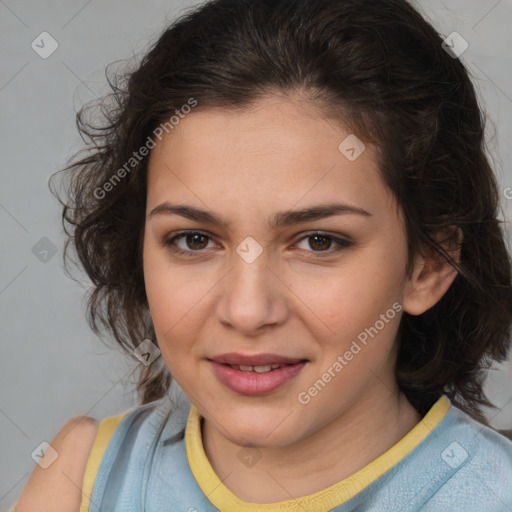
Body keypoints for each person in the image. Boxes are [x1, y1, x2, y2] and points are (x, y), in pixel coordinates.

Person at [13, 0, 512, 510]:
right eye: (194, 240)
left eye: (319, 241)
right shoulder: (79, 479)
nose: (247, 311)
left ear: (427, 265)